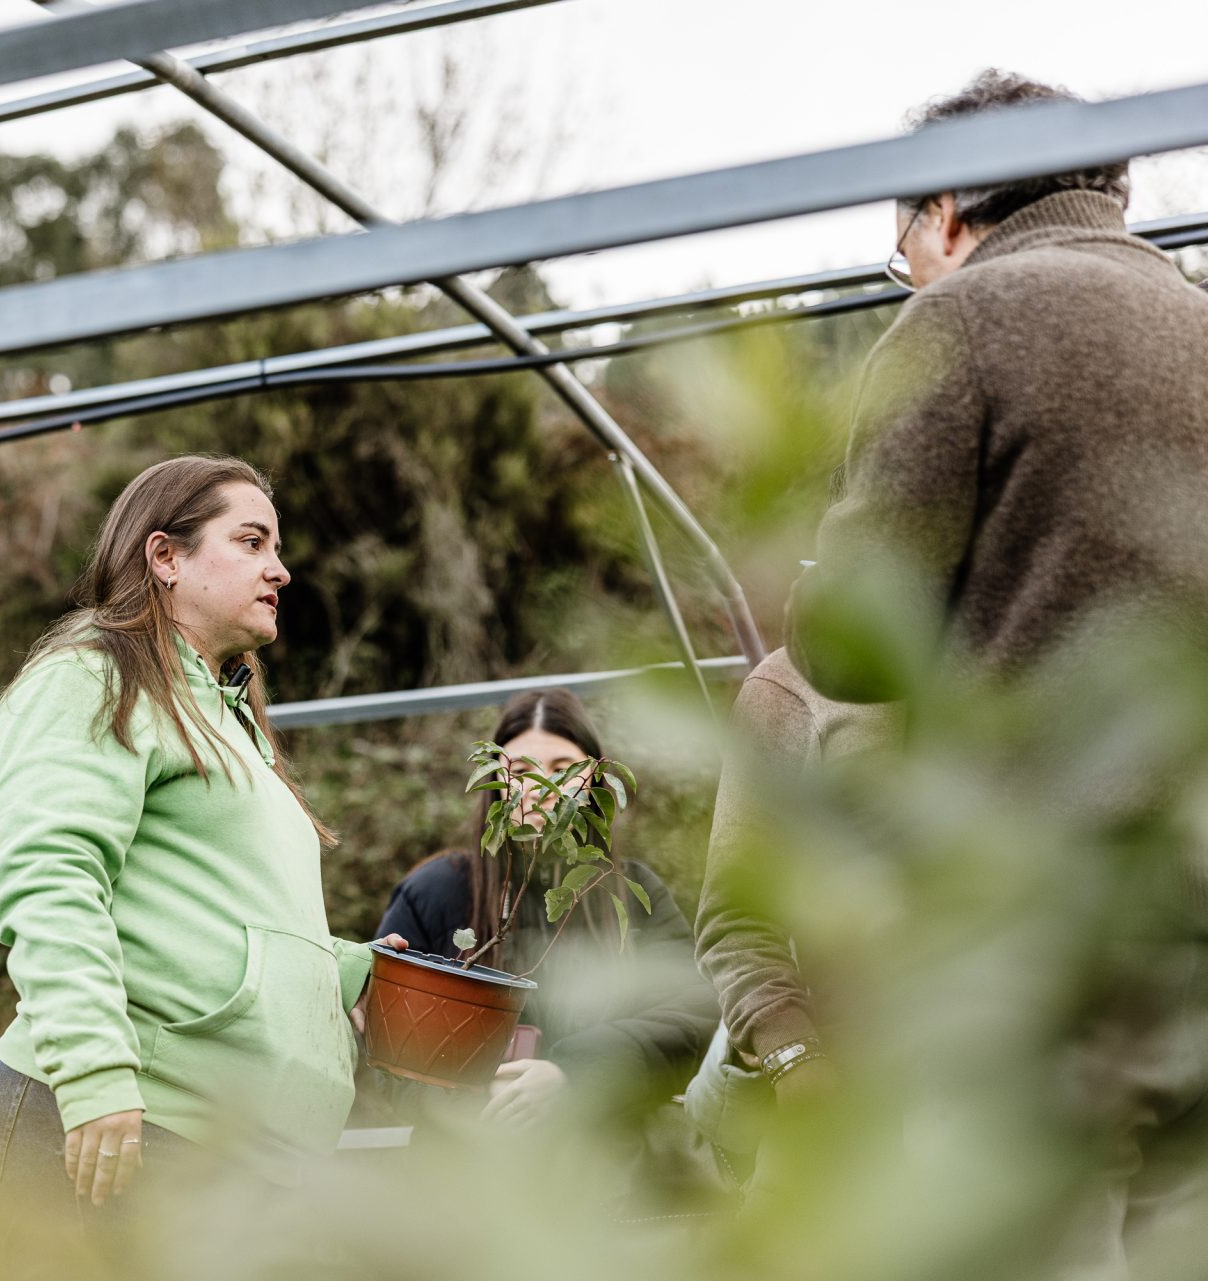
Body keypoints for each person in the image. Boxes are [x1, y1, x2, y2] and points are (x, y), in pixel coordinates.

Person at [0, 454, 406, 1274]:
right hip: (127, 1127)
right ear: (165, 556)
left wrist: (347, 975)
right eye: (252, 541)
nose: (280, 568)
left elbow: (224, 917)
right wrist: (96, 1075)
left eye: (276, 547)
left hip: (233, 1151)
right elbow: (51, 878)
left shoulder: (228, 722)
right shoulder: (94, 679)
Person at [789, 70, 1208, 699]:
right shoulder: (1198, 313)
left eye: (904, 256)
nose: (914, 283)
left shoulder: (956, 317)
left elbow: (854, 654)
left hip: (1039, 757)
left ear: (944, 214)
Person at [376, 688, 718, 1126]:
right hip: (467, 1155)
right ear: (496, 779)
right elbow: (385, 1044)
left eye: (563, 769)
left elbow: (694, 1014)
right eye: (521, 770)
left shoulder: (629, 892)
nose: (543, 788)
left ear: (594, 779)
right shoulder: (436, 891)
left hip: (607, 1151)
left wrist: (575, 1074)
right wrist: (472, 1097)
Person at [687, 647, 899, 1183]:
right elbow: (736, 917)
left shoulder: (1050, 655)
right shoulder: (793, 685)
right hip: (855, 1105)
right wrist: (793, 1056)